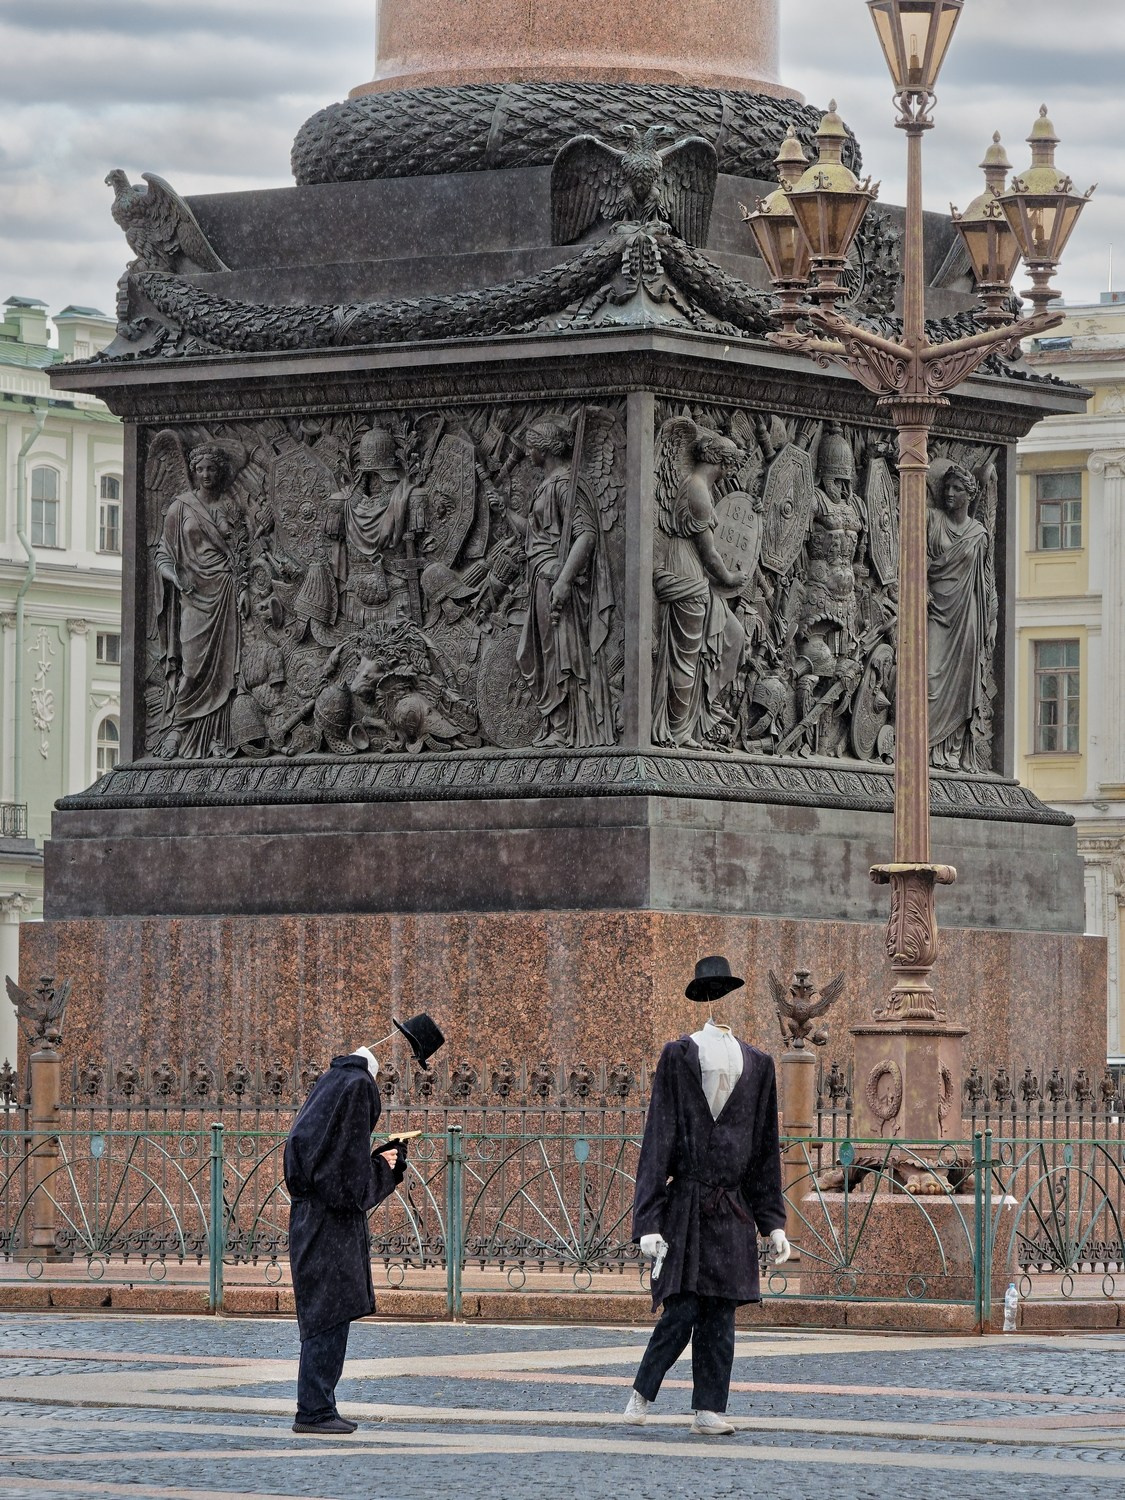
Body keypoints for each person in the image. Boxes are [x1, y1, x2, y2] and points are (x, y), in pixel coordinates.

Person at [624, 957, 790, 1436]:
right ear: (702, 999)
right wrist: (649, 1223)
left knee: (721, 1315)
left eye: (724, 991)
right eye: (711, 992)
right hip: (689, 1206)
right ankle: (642, 1391)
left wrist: (772, 1221)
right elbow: (657, 1142)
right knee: (682, 1309)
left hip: (733, 1209)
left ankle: (709, 1409)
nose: (719, 1000)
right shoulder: (678, 1056)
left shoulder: (759, 1065)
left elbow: (764, 1152)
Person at [284, 1012, 445, 1435]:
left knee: (324, 1312)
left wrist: (374, 1161)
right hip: (329, 1226)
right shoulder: (359, 1088)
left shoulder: (335, 1081)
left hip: (313, 1220)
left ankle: (317, 1406)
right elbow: (348, 1184)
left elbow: (329, 1160)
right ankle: (315, 1410)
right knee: (329, 1315)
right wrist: (386, 1167)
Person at [154, 443, 247, 758]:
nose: (206, 474)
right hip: (193, 596)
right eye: (201, 469)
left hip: (224, 592)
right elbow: (163, 554)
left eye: (211, 468)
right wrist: (176, 578)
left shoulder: (229, 507)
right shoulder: (180, 508)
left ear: (219, 471)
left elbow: (242, 552)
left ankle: (218, 736)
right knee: (192, 665)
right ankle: (179, 728)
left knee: (225, 671)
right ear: (194, 472)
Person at [926, 459, 997, 771]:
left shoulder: (978, 535)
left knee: (964, 681)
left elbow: (986, 579)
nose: (950, 493)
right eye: (947, 488)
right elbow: (914, 558)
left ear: (970, 495)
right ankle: (924, 747)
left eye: (957, 489)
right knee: (929, 679)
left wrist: (991, 621)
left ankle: (950, 752)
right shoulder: (932, 519)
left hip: (967, 616)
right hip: (934, 610)